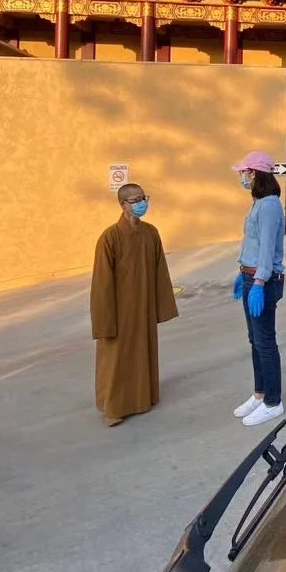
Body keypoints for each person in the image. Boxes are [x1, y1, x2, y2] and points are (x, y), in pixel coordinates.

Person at [90, 181, 178, 427]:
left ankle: (142, 399)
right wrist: (104, 318)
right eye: (135, 200)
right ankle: (113, 408)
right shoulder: (110, 237)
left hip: (144, 305)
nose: (141, 204)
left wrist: (160, 305)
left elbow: (160, 270)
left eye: (143, 198)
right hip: (120, 309)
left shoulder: (150, 232)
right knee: (116, 357)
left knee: (143, 351)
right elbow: (101, 283)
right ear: (123, 205)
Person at [230, 151, 286, 427]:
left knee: (265, 341)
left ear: (254, 174)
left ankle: (273, 402)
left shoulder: (270, 206)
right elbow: (251, 243)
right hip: (250, 276)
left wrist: (260, 282)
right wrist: (243, 272)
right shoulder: (259, 203)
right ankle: (260, 393)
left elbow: (266, 248)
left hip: (263, 280)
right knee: (255, 339)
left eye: (244, 172)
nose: (242, 177)